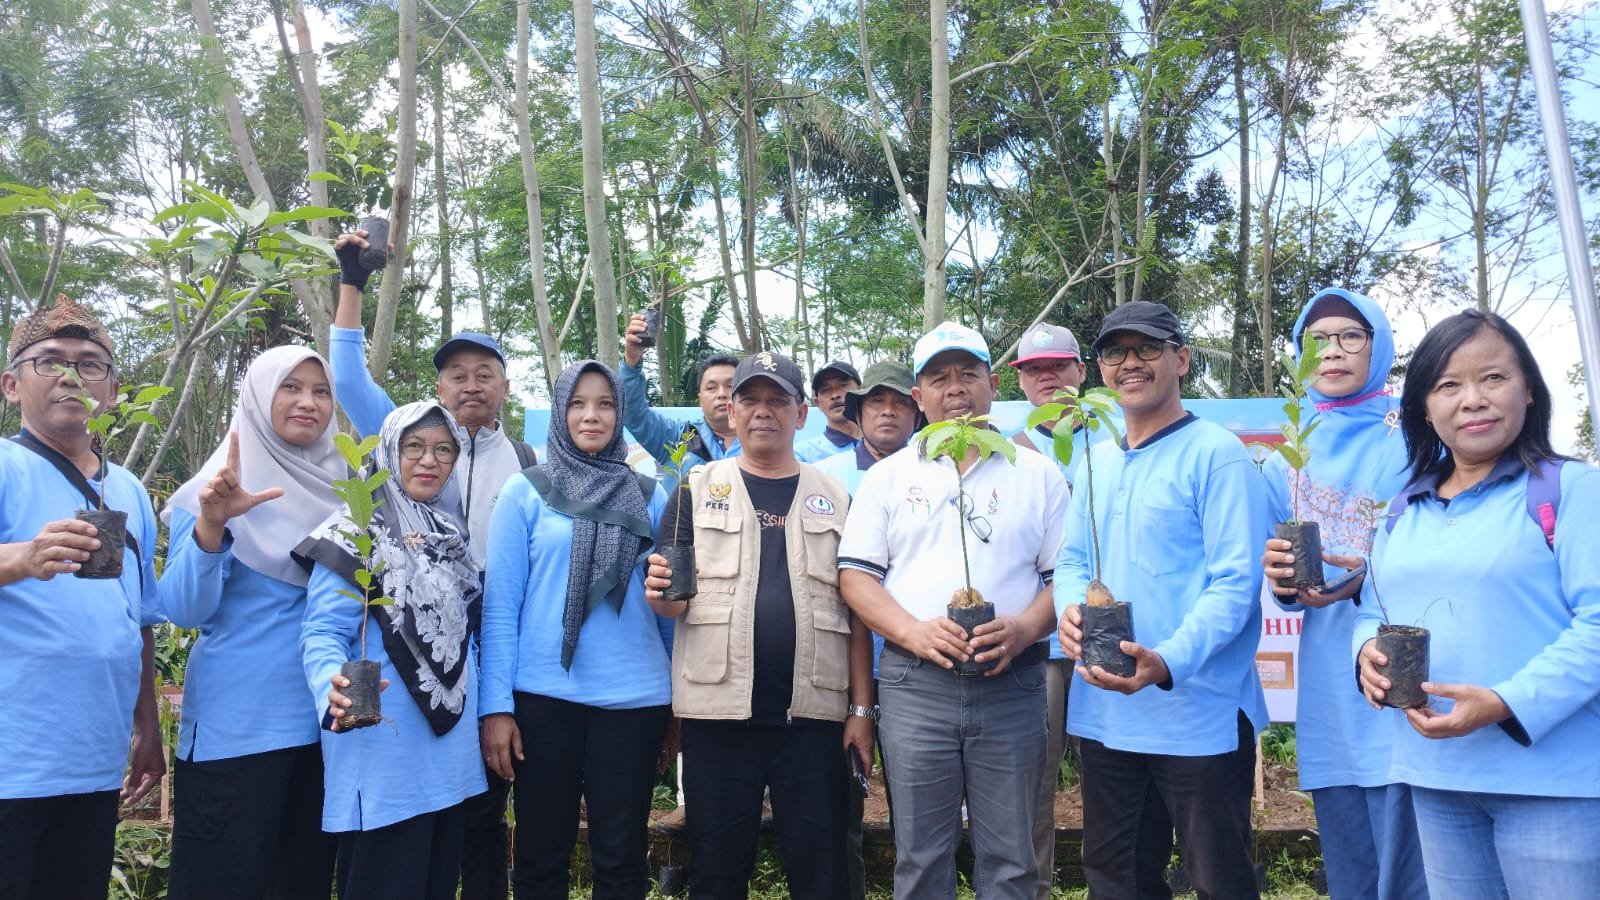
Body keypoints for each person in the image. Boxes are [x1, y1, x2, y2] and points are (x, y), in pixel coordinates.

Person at [1354, 310, 1600, 899]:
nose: (1473, 400)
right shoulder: (1403, 509)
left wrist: (1503, 702)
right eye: (1448, 385)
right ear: (1424, 408)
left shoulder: (1571, 490)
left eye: (1493, 377)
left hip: (1553, 782)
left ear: (1529, 390)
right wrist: (1364, 650)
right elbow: (1373, 610)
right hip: (1436, 774)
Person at [838, 322, 1070, 900]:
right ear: (919, 397)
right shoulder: (889, 477)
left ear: (993, 386)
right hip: (916, 685)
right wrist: (912, 631)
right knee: (921, 855)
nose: (956, 387)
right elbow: (856, 577)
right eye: (939, 378)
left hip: (1012, 681)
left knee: (1012, 857)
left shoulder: (1037, 474)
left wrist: (1023, 628)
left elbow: (1062, 578)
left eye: (969, 374)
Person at [1055, 300, 1270, 900]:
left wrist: (1168, 660)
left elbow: (1236, 582)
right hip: (1107, 713)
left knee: (1220, 879)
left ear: (1182, 359)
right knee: (1116, 877)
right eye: (1115, 351)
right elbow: (1073, 561)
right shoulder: (1095, 460)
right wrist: (1069, 608)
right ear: (1099, 369)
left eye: (1147, 348)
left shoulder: (1217, 454)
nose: (1131, 363)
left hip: (1198, 714)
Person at [332, 230, 524, 896]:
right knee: (419, 810)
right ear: (438, 385)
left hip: (490, 640)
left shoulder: (529, 463)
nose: (471, 385)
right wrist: (351, 281)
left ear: (505, 386)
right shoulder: (411, 435)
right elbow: (347, 379)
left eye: (484, 373)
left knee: (483, 807)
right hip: (406, 636)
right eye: (457, 375)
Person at [643, 351, 874, 900]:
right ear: (732, 411)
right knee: (717, 874)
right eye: (750, 400)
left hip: (814, 720)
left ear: (801, 414)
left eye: (777, 400)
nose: (763, 411)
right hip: (718, 718)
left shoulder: (838, 497)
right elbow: (672, 605)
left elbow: (859, 614)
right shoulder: (695, 489)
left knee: (823, 875)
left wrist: (862, 712)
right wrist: (660, 595)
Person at [478, 361, 673, 900]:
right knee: (540, 857)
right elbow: (501, 609)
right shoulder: (525, 492)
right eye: (578, 403)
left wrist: (677, 704)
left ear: (620, 413)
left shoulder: (650, 495)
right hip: (544, 700)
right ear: (560, 412)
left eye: (605, 404)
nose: (592, 415)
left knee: (622, 858)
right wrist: (496, 708)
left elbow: (667, 607)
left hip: (635, 701)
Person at [160, 346, 345, 899]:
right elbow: (184, 610)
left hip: (324, 729)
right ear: (259, 397)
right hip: (236, 729)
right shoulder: (215, 488)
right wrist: (212, 526)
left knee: (301, 884)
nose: (308, 402)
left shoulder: (350, 493)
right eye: (291, 387)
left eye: (321, 391)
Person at [1258, 288, 1426, 899]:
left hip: (1405, 664)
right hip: (1330, 675)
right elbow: (1281, 587)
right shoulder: (1285, 457)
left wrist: (1363, 577)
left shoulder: (1418, 436)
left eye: (1351, 336)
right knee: (1349, 850)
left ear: (1379, 346)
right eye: (1316, 340)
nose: (1332, 351)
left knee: (1413, 856)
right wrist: (1283, 582)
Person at [0, 295, 164, 899]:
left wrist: (148, 726)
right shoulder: (5, 467)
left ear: (113, 392)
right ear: (11, 386)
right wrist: (23, 558)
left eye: (89, 364)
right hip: (12, 760)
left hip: (94, 760)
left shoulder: (128, 490)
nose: (71, 376)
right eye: (49, 361)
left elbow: (138, 618)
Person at [298, 401, 486, 900]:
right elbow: (322, 632)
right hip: (383, 750)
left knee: (436, 883)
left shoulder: (448, 534)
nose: (429, 460)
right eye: (414, 446)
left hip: (449, 752)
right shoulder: (355, 531)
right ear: (387, 452)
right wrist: (331, 686)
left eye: (443, 450)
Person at [813, 359, 919, 900]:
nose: (888, 411)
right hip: (840, 665)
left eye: (900, 402)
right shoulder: (824, 477)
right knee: (840, 810)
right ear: (857, 412)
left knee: (919, 813)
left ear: (918, 411)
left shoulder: (940, 471)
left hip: (917, 665)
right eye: (876, 401)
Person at [1007, 321, 1096, 899]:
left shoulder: (1115, 439)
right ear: (1020, 381)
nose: (1047, 377)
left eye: (1058, 366)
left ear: (1081, 372)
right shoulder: (1006, 452)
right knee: (1030, 787)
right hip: (1038, 642)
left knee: (1112, 781)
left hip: (1107, 636)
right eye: (1034, 369)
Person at [622, 308, 740, 489]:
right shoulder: (678, 437)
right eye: (711, 388)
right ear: (700, 398)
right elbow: (634, 414)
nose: (721, 394)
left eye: (730, 386)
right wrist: (631, 360)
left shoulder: (761, 442)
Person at [796, 360, 862, 462]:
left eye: (843, 385)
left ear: (861, 391)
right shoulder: (803, 455)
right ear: (818, 403)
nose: (835, 395)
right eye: (825, 390)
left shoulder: (883, 442)